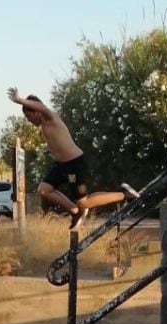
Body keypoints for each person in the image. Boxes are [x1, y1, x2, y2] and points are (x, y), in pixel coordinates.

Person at [8, 87, 139, 228]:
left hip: (75, 166)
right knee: (44, 190)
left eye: (29, 117)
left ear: (37, 112)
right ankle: (75, 211)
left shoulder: (50, 117)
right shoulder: (43, 127)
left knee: (84, 202)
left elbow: (41, 107)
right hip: (61, 167)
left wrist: (20, 100)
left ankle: (124, 194)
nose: (29, 121)